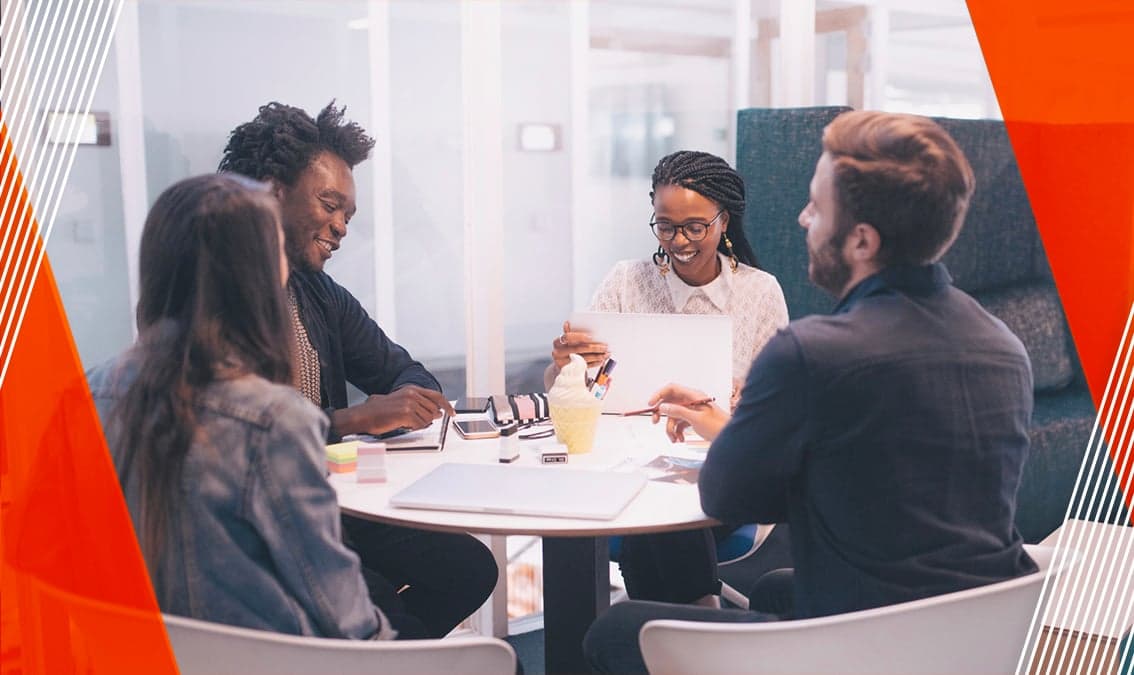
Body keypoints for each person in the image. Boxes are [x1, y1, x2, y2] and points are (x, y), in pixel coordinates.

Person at [583, 110, 1039, 673]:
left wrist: (735, 421)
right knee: (776, 588)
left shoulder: (813, 352)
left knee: (614, 631)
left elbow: (727, 498)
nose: (803, 218)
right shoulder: (1005, 350)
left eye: (817, 207)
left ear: (862, 240)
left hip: (858, 644)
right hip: (977, 637)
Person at [218, 101, 496, 639]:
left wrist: (402, 402)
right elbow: (234, 432)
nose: (341, 227)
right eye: (330, 204)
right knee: (392, 624)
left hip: (329, 503)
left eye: (348, 215)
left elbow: (409, 374)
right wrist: (353, 420)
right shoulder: (215, 299)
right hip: (260, 522)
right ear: (274, 191)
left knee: (468, 568)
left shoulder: (318, 293)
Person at [88, 174, 398, 638]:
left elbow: (44, 560)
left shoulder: (86, 396)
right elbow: (347, 620)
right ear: (258, 274)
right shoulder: (274, 422)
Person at [548, 150, 790, 607]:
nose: (679, 240)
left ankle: (675, 619)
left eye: (695, 227)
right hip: (623, 456)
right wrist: (564, 363)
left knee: (665, 505)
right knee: (647, 499)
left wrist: (743, 400)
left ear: (723, 220)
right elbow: (581, 388)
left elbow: (777, 416)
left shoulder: (759, 291)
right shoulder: (626, 281)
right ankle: (692, 618)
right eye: (665, 225)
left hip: (716, 462)